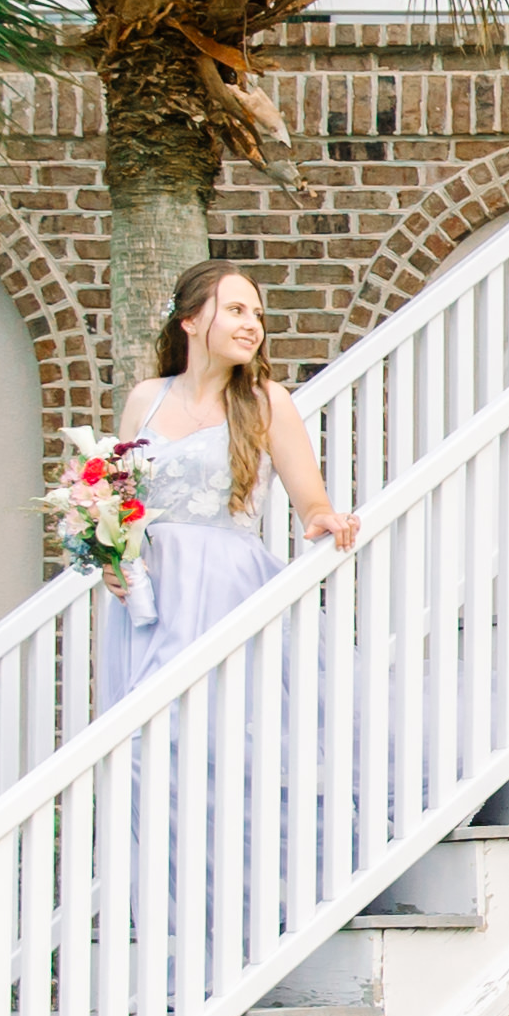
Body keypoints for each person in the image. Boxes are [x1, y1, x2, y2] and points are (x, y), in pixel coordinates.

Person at [99, 263, 357, 697]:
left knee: (218, 715)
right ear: (191, 319)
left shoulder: (266, 401)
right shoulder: (146, 397)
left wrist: (326, 518)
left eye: (257, 315)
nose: (252, 325)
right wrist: (110, 560)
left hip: (225, 586)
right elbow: (118, 503)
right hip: (152, 594)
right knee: (144, 728)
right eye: (236, 310)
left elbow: (312, 503)